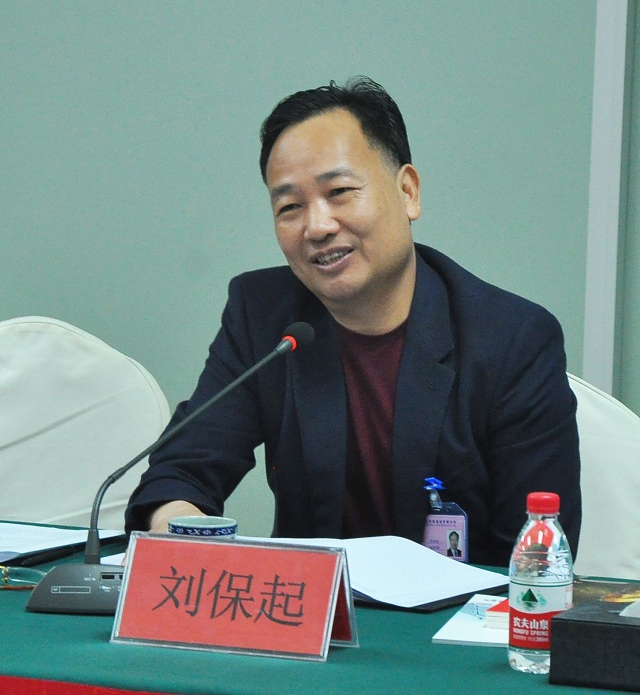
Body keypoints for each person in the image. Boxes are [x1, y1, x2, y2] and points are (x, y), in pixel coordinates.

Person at [125, 76, 581, 566]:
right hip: (310, 609)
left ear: (407, 192)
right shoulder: (264, 316)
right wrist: (177, 526)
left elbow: (536, 552)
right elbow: (185, 468)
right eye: (290, 207)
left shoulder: (512, 339)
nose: (317, 226)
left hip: (458, 612)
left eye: (339, 191)